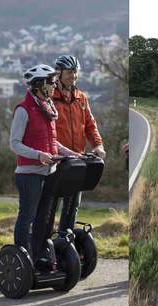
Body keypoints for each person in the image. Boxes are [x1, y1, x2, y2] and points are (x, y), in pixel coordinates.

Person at [10, 64, 78, 255]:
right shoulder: (23, 110)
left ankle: (38, 256)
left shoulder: (47, 108)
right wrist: (38, 155)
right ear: (39, 85)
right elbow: (14, 144)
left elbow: (52, 141)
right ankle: (22, 256)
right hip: (29, 174)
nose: (54, 85)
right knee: (27, 217)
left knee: (43, 218)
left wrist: (69, 153)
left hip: (49, 172)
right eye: (51, 82)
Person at [53, 54, 106, 231]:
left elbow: (90, 125)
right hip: (57, 159)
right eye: (69, 72)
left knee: (73, 204)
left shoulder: (81, 97)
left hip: (78, 159)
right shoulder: (50, 97)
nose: (73, 75)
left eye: (75, 72)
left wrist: (98, 145)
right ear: (59, 73)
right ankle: (45, 242)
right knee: (52, 203)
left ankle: (65, 238)